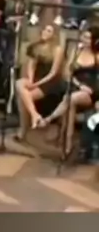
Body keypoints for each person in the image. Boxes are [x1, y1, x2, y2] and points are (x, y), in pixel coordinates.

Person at [38, 26, 99, 155]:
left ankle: (49, 119)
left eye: (88, 38)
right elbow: (66, 73)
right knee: (70, 103)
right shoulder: (76, 51)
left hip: (90, 92)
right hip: (75, 87)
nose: (85, 40)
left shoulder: (97, 56)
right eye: (84, 36)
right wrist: (79, 85)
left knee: (71, 98)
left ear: (95, 40)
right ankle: (67, 145)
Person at [14, 24, 65, 140]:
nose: (45, 32)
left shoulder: (58, 50)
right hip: (37, 78)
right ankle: (34, 115)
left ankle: (23, 129)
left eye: (49, 31)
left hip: (51, 81)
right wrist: (31, 80)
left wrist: (37, 84)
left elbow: (53, 73)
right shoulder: (36, 46)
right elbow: (31, 66)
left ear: (54, 35)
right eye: (44, 30)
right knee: (19, 83)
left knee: (24, 97)